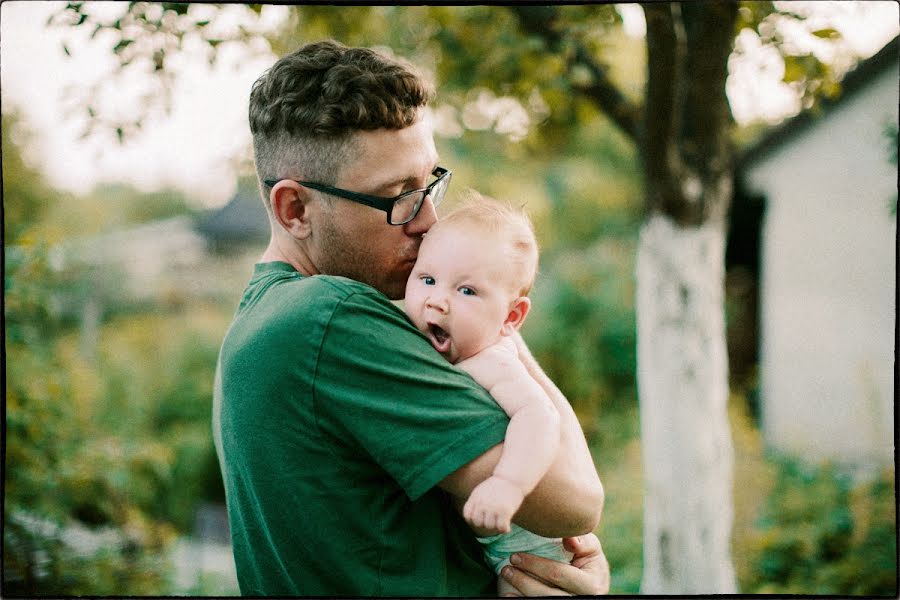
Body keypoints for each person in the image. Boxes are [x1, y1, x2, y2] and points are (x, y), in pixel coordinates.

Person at [213, 39, 609, 596]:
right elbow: (575, 501)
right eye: (397, 196)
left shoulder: (263, 319)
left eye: (428, 183)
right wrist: (501, 336)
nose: (429, 219)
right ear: (295, 210)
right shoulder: (328, 318)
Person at [405, 194, 576, 597]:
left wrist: (508, 485)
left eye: (467, 291)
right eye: (426, 279)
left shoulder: (492, 360)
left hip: (534, 553)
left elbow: (539, 416)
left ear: (512, 317)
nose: (438, 300)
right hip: (499, 551)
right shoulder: (432, 343)